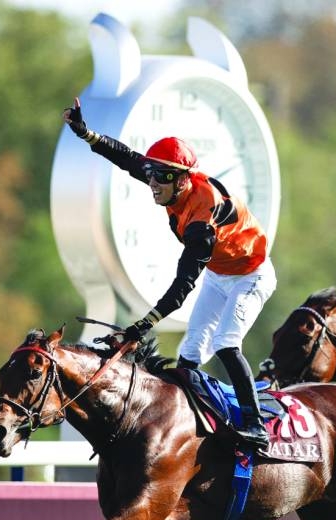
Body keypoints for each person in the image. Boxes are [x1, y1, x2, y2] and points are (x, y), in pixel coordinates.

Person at [64, 98, 276, 450]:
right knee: (190, 354)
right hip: (219, 274)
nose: (153, 183)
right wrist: (87, 134)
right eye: (152, 174)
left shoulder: (201, 221)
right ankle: (194, 420)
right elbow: (129, 158)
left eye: (163, 176)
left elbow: (181, 287)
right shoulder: (167, 179)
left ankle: (256, 426)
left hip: (250, 277)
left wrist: (140, 327)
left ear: (183, 179)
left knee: (225, 343)